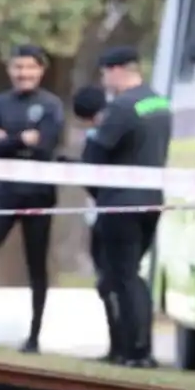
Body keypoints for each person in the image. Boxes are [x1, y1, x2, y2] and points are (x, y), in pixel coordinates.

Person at [0, 44, 67, 352]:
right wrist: (22, 139)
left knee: (36, 265)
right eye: (18, 67)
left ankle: (34, 337)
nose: (24, 73)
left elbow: (46, 145)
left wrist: (5, 139)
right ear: (10, 70)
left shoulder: (51, 104)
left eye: (30, 68)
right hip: (6, 192)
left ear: (40, 71)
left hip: (39, 194)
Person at [82, 46, 170, 368]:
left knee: (122, 276)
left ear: (118, 70)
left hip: (119, 203)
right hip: (150, 201)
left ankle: (133, 351)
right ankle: (137, 348)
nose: (105, 81)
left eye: (105, 73)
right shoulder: (160, 102)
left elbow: (95, 157)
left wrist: (95, 192)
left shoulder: (122, 106)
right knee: (132, 275)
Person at [71, 85, 119, 361]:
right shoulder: (106, 131)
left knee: (109, 282)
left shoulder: (100, 137)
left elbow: (93, 182)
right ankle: (116, 345)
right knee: (106, 283)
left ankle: (120, 346)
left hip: (103, 216)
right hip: (98, 216)